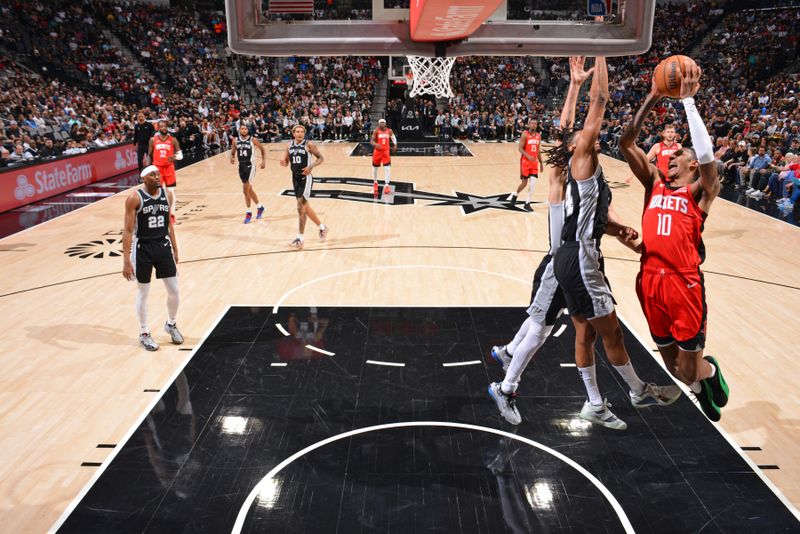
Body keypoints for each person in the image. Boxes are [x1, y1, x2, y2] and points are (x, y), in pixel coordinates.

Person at [551, 57, 681, 430]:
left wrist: (619, 231)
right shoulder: (583, 157)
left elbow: (566, 129)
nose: (583, 132)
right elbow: (602, 100)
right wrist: (603, 49)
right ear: (580, 144)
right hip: (581, 257)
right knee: (612, 331)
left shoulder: (576, 168)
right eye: (580, 134)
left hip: (570, 254)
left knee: (586, 332)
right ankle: (638, 391)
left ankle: (594, 402)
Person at [619, 63, 729, 422]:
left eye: (679, 155)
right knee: (673, 369)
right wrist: (653, 95)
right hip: (649, 279)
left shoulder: (700, 192)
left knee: (690, 368)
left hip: (684, 283)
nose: (670, 157)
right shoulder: (654, 184)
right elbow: (625, 143)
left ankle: (708, 376)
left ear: (692, 164)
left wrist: (689, 103)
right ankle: (698, 386)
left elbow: (709, 159)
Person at [488, 57, 594, 425]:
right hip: (557, 265)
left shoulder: (588, 185)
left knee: (542, 326)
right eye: (581, 143)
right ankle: (506, 388)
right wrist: (576, 86)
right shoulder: (562, 183)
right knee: (540, 330)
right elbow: (564, 135)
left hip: (572, 264)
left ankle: (507, 352)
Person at [122, 165, 183, 351]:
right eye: (153, 175)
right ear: (144, 179)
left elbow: (169, 224)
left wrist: (175, 247)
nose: (158, 177)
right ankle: (144, 332)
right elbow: (128, 230)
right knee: (144, 292)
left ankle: (171, 324)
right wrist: (126, 261)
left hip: (163, 245)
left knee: (174, 290)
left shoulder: (168, 195)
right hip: (143, 249)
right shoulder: (134, 198)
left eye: (158, 174)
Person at [280, 125, 328, 250]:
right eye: (297, 131)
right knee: (305, 208)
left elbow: (321, 158)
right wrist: (284, 163)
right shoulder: (289, 145)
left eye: (302, 132)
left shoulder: (309, 144)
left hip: (306, 178)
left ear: (304, 133)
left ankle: (300, 238)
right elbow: (286, 162)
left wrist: (310, 166)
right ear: (293, 133)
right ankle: (323, 228)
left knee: (300, 207)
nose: (300, 133)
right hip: (295, 178)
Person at [230, 123, 267, 224]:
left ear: (248, 130)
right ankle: (260, 207)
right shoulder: (235, 140)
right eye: (242, 129)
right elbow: (233, 152)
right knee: (249, 190)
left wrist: (264, 161)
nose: (244, 130)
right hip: (241, 166)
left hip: (250, 166)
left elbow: (263, 149)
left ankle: (248, 212)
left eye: (245, 129)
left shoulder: (253, 140)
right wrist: (232, 158)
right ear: (239, 130)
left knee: (245, 189)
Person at [148, 120, 182, 223]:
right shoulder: (153, 140)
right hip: (157, 168)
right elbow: (150, 154)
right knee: (157, 192)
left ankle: (171, 214)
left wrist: (174, 156)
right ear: (157, 128)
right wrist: (151, 169)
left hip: (169, 168)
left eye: (165, 126)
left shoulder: (173, 140)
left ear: (167, 127)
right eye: (161, 126)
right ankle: (157, 213)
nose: (163, 128)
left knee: (170, 191)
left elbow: (180, 155)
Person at [510, 119, 544, 211]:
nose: (533, 125)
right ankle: (515, 194)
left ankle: (527, 203)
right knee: (524, 183)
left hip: (534, 163)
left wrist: (541, 163)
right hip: (525, 162)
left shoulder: (538, 136)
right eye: (532, 123)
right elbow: (520, 149)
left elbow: (538, 151)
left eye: (535, 123)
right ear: (529, 124)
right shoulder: (525, 134)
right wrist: (528, 156)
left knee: (532, 184)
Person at [370, 119, 397, 197]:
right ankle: (375, 183)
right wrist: (376, 144)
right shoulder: (376, 131)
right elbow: (371, 141)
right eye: (380, 122)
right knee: (375, 168)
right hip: (377, 152)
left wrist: (395, 145)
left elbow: (393, 138)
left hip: (386, 152)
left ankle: (386, 186)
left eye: (383, 122)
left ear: (385, 123)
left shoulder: (389, 131)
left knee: (387, 168)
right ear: (379, 124)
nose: (382, 123)